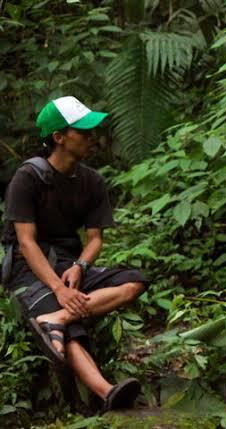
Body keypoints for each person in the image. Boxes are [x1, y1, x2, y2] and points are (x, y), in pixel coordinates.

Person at [1, 96, 147, 411]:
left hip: (69, 264)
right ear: (59, 137)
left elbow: (95, 239)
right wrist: (58, 289)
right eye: (83, 132)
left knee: (134, 281)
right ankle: (107, 392)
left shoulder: (91, 181)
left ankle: (55, 318)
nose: (92, 138)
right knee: (70, 328)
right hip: (28, 269)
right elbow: (26, 243)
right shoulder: (27, 178)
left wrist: (80, 266)